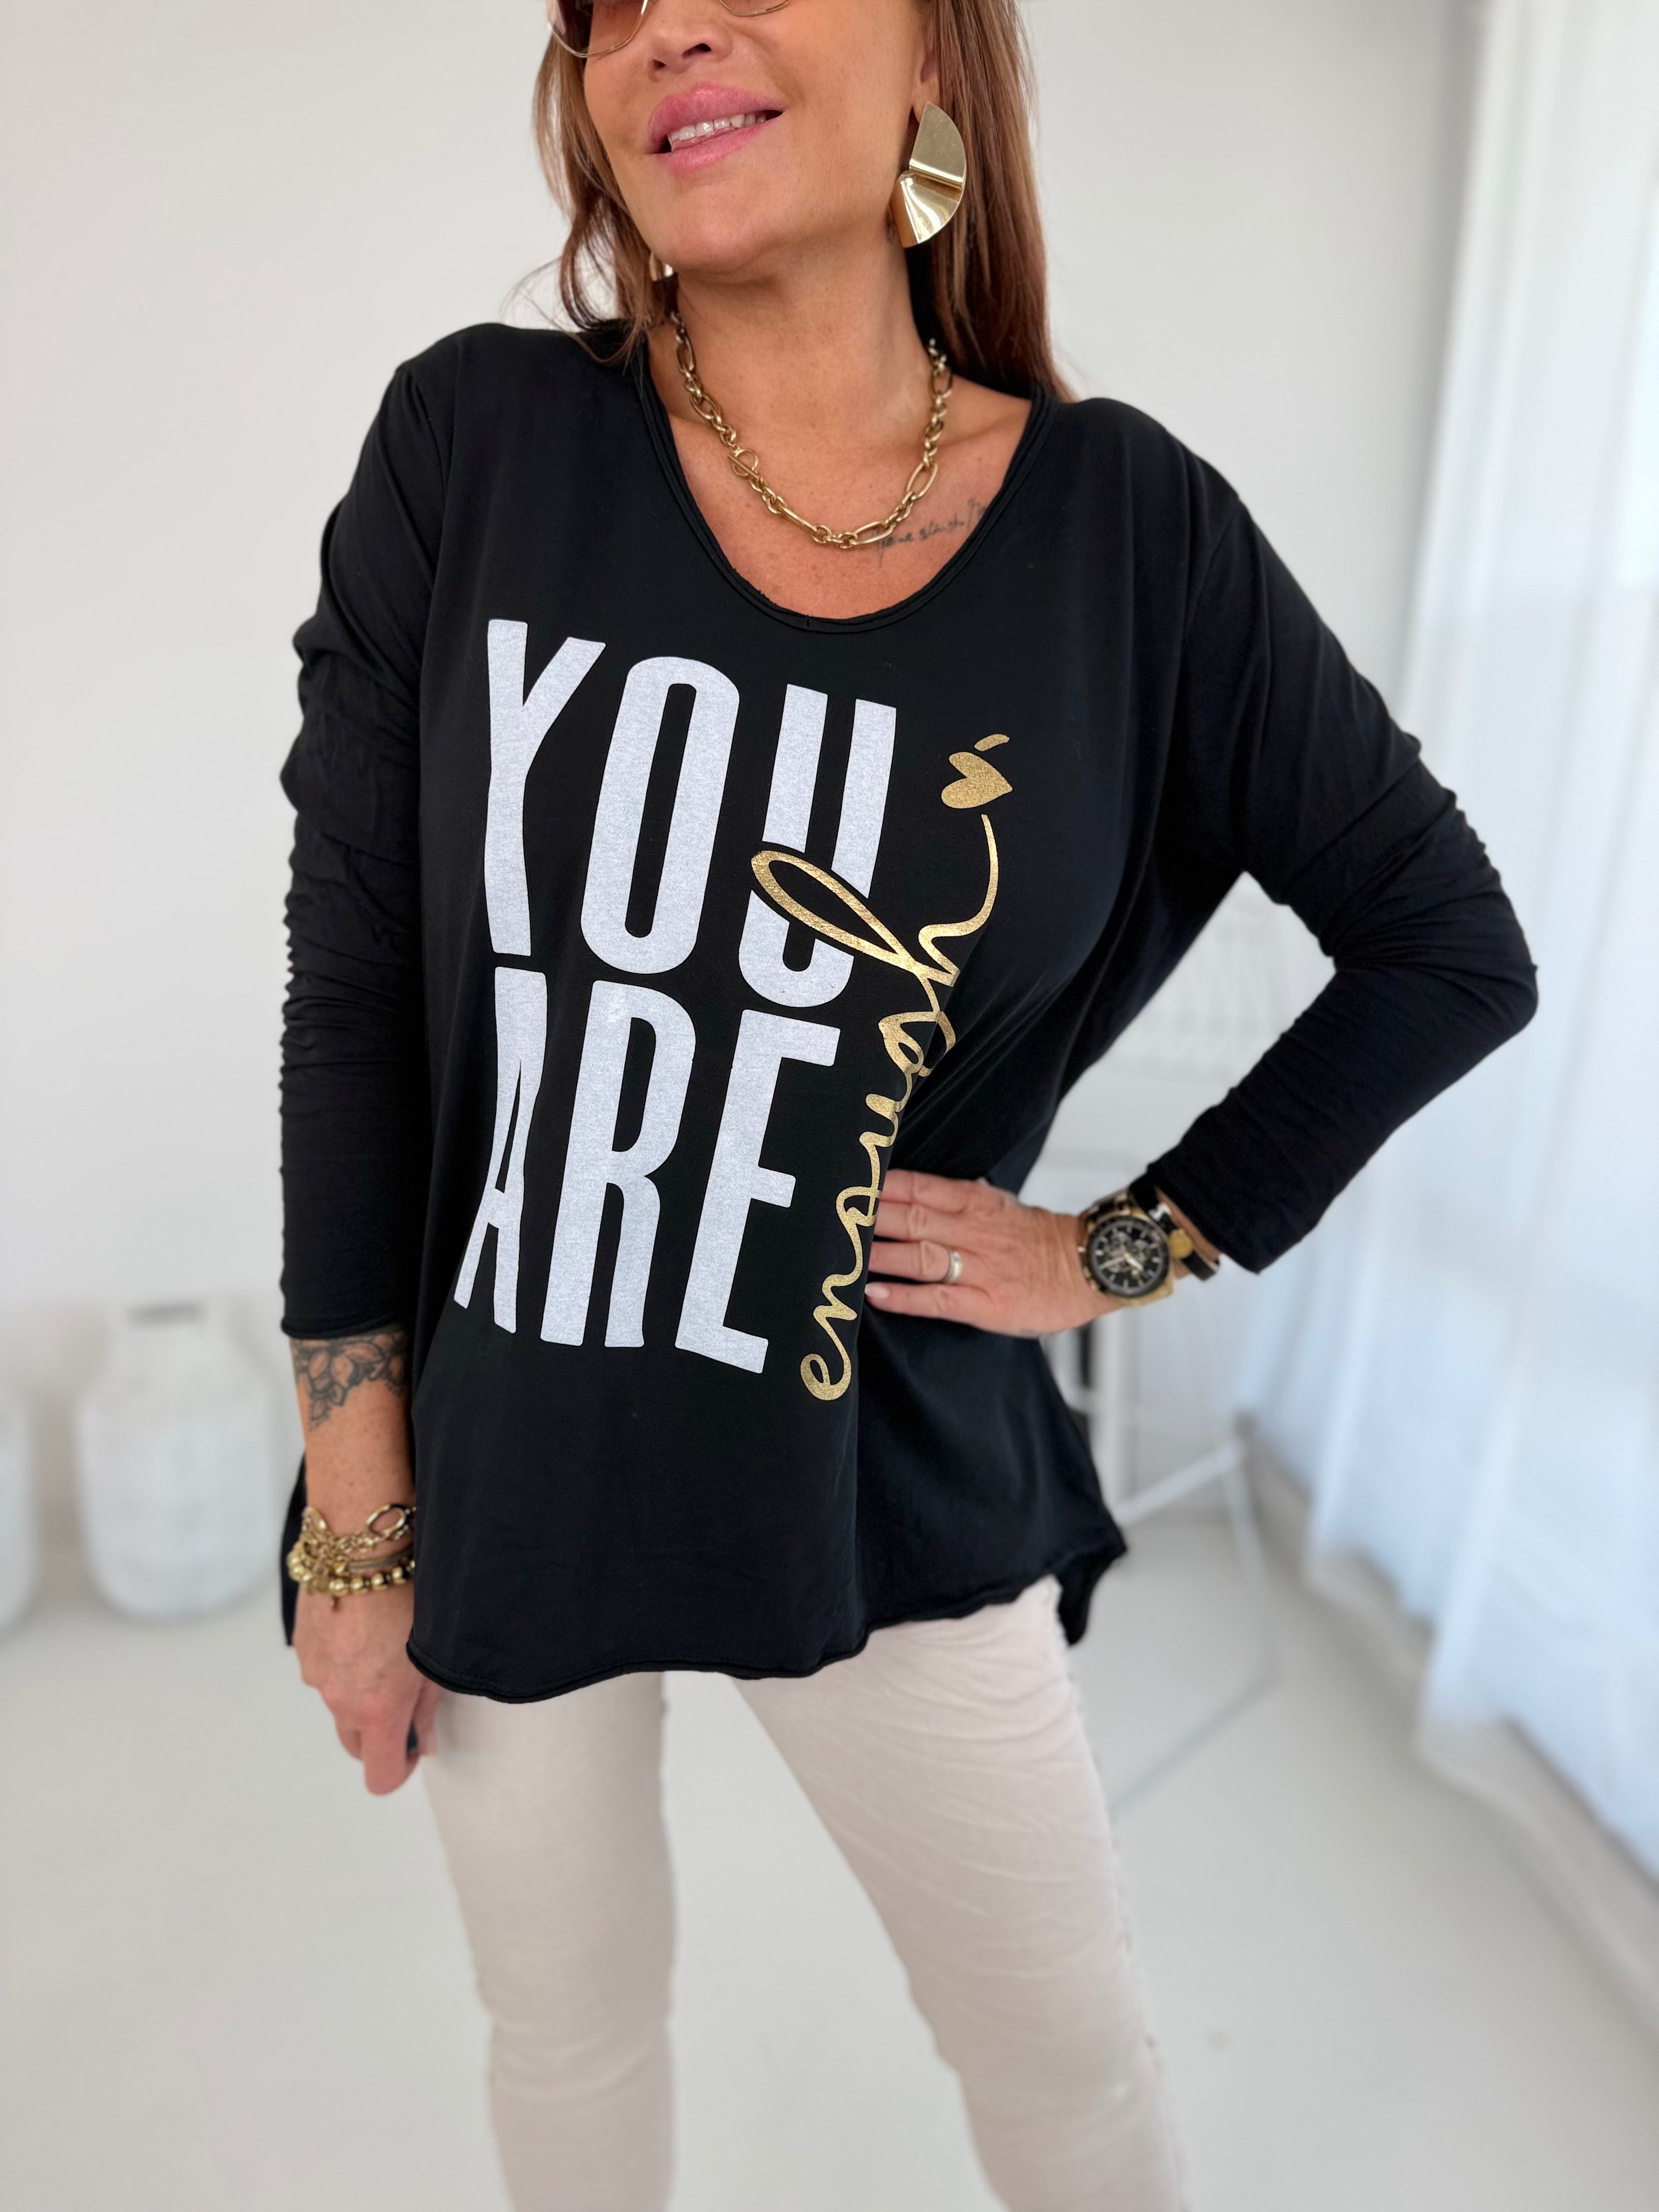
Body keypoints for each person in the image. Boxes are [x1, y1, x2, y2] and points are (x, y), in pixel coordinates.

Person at [275, 2, 1538, 2207]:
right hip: (504, 1471)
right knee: (567, 2038)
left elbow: (1450, 946)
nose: (668, 23)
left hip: (889, 1480)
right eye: (605, 5)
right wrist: (353, 1511)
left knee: (1069, 2072)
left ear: (939, 61)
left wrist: (1119, 1247)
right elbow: (358, 1000)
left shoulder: (1124, 534)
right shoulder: (472, 446)